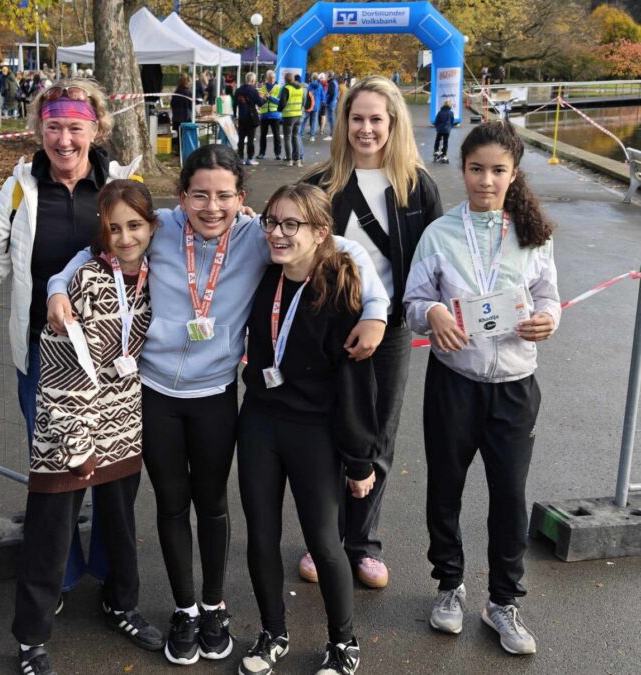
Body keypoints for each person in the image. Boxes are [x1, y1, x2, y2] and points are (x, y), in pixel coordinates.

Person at [46, 144, 389, 667]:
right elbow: (93, 251)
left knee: (213, 506)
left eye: (224, 195)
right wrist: (55, 289)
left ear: (241, 198)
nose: (211, 207)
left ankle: (214, 606)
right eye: (199, 195)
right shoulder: (158, 227)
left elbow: (342, 246)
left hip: (216, 395)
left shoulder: (260, 235)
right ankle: (184, 609)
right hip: (155, 392)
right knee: (170, 504)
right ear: (181, 197)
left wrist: (376, 311)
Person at [0, 78, 143, 619]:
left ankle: (111, 573)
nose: (64, 139)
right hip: (44, 356)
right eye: (54, 125)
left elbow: (149, 249)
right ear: (40, 127)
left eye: (75, 126)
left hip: (113, 352)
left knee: (112, 467)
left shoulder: (118, 181)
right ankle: (59, 575)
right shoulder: (19, 189)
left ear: (96, 128)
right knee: (57, 469)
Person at [404, 121, 559, 656]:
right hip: (454, 383)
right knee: (444, 488)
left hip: (515, 386)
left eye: (497, 171)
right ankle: (449, 587)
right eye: (476, 169)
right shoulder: (440, 234)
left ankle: (503, 603)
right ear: (463, 170)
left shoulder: (533, 233)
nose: (485, 181)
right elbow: (413, 304)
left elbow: (548, 297)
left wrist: (547, 319)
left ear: (513, 174)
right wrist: (434, 311)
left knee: (509, 496)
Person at [13, 180, 164, 675]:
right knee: (50, 533)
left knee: (120, 525)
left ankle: (122, 604)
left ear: (151, 227)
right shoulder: (84, 279)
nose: (124, 238)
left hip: (123, 425)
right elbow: (56, 368)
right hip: (70, 430)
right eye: (114, 228)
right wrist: (76, 440)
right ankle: (31, 639)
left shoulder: (156, 273)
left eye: (135, 226)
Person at [301, 75, 443, 590]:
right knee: (326, 430)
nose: (365, 128)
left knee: (378, 434)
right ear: (344, 123)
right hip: (327, 327)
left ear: (393, 123)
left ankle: (363, 543)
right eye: (356, 118)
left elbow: (434, 260)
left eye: (375, 119)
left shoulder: (416, 186)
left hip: (392, 329)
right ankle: (325, 540)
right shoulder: (322, 183)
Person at [238, 183, 378, 675]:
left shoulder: (341, 292)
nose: (277, 234)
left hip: (313, 431)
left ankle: (343, 642)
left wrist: (360, 459)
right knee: (261, 536)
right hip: (258, 422)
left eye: (290, 224)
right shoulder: (263, 275)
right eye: (272, 222)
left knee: (324, 541)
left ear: (321, 233)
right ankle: (272, 631)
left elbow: (355, 385)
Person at [233, 72, 265, 166]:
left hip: (241, 117)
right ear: (252, 80)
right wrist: (263, 98)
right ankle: (249, 158)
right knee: (250, 140)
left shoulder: (238, 90)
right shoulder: (253, 90)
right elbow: (259, 103)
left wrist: (235, 115)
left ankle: (240, 158)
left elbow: (234, 104)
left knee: (241, 139)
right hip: (251, 118)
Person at [256, 70, 283, 162]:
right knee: (263, 135)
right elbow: (259, 103)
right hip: (264, 115)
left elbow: (280, 102)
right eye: (270, 78)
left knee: (276, 136)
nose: (272, 79)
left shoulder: (279, 88)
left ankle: (278, 154)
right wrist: (262, 98)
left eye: (274, 77)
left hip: (275, 115)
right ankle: (261, 153)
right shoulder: (262, 88)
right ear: (267, 78)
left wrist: (269, 97)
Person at [171, 74, 193, 154]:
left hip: (176, 116)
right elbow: (191, 105)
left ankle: (176, 150)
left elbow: (172, 104)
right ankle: (183, 150)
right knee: (184, 135)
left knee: (177, 135)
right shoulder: (188, 92)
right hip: (185, 116)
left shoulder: (176, 92)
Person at [303, 72, 323, 143]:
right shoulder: (320, 86)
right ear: (317, 78)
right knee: (314, 121)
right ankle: (312, 136)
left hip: (309, 105)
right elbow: (322, 97)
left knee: (304, 120)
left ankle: (300, 133)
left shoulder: (309, 85)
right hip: (316, 106)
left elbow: (306, 95)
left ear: (312, 77)